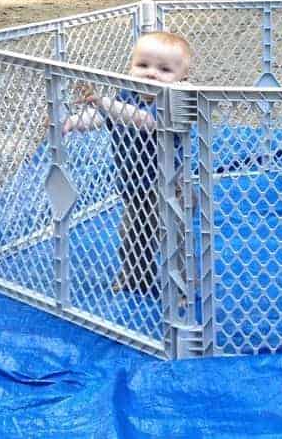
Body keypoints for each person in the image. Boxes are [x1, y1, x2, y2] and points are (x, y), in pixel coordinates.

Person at [63, 31, 193, 293]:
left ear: (182, 79)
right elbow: (103, 117)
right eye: (142, 65)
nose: (150, 74)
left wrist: (103, 101)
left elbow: (145, 122)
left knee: (173, 239)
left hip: (169, 188)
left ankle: (180, 290)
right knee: (133, 236)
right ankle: (135, 277)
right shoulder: (127, 93)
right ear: (130, 67)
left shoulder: (177, 101)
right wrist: (74, 122)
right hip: (134, 185)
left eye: (164, 69)